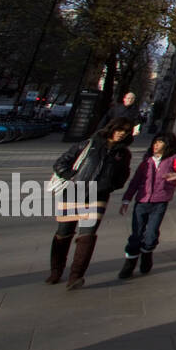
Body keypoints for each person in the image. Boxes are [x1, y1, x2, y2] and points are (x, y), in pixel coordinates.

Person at [47, 118, 134, 289]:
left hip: (98, 196)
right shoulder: (89, 144)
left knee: (87, 236)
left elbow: (123, 176)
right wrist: (70, 176)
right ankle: (56, 271)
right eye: (120, 129)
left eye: (126, 131)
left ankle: (76, 276)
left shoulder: (123, 153)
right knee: (63, 233)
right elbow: (61, 162)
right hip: (73, 193)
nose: (122, 133)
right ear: (112, 128)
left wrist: (109, 185)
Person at [117, 132, 176, 279]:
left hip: (160, 201)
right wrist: (126, 199)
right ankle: (129, 263)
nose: (155, 145)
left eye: (159, 143)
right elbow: (135, 182)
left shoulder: (173, 158)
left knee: (151, 234)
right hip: (142, 201)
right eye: (155, 142)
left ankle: (147, 253)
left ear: (167, 144)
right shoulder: (146, 162)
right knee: (136, 234)